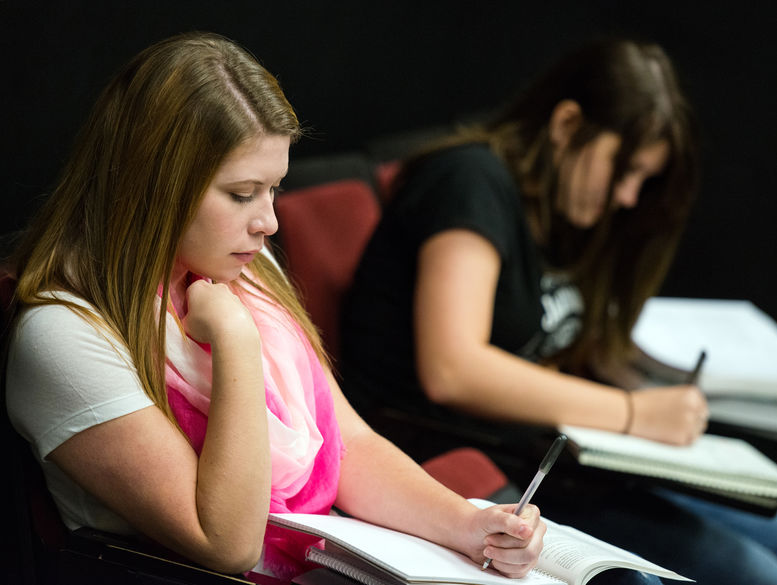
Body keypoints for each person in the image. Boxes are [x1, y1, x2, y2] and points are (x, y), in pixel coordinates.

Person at [2, 33, 547, 582]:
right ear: (151, 187)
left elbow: (348, 444)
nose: (269, 222)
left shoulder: (243, 266)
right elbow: (227, 545)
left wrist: (469, 525)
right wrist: (236, 343)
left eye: (273, 189)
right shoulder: (64, 332)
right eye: (242, 193)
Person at [340, 39, 777, 584]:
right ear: (568, 124)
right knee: (754, 572)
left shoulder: (567, 215)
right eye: (625, 171)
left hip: (547, 459)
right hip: (458, 466)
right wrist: (634, 413)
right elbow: (453, 368)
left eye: (642, 180)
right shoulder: (469, 181)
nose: (627, 196)